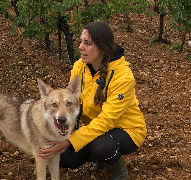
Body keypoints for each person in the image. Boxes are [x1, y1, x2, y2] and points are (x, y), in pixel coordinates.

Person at [38, 21, 147, 180]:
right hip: (95, 130)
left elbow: (106, 121)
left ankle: (119, 172)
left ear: (102, 48)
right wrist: (63, 135)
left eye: (87, 43)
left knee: (101, 146)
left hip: (127, 130)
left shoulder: (123, 76)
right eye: (81, 41)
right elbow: (71, 104)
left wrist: (69, 142)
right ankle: (100, 157)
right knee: (66, 158)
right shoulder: (79, 67)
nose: (81, 46)